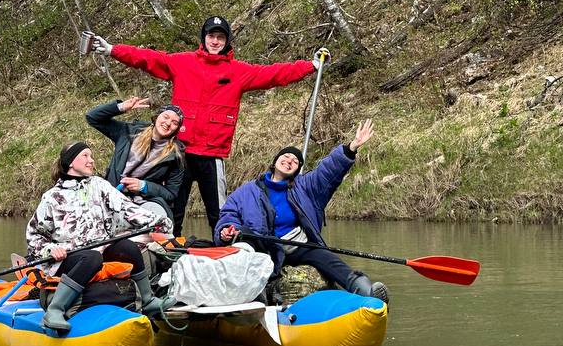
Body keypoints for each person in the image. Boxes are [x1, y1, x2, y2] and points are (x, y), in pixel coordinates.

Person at [87, 16, 319, 235]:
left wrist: (311, 65)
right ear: (204, 38)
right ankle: (168, 248)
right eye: (211, 36)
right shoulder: (182, 63)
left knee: (219, 212)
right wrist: (112, 50)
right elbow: (148, 59)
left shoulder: (239, 72)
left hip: (211, 154)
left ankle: (225, 248)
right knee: (173, 207)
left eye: (220, 37)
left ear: (227, 41)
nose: (215, 41)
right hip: (178, 152)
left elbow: (275, 74)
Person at [215, 119, 389, 302]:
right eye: (286, 157)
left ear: (297, 170)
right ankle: (253, 299)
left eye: (295, 161)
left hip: (297, 245)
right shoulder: (246, 191)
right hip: (264, 247)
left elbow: (328, 170)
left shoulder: (306, 187)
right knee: (245, 235)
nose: (289, 161)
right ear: (275, 162)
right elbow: (229, 215)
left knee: (327, 258)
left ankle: (366, 292)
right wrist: (226, 230)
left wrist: (352, 146)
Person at [25, 142, 169, 331]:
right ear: (70, 162)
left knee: (127, 247)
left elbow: (126, 209)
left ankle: (148, 300)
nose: (91, 160)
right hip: (68, 258)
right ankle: (55, 309)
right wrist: (51, 249)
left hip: (100, 249)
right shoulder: (52, 197)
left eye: (91, 156)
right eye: (85, 156)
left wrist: (157, 221)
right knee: (91, 258)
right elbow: (34, 235)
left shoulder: (100, 185)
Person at [85, 98, 185, 222]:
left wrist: (144, 186)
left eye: (175, 122)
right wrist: (121, 107)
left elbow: (171, 194)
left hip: (143, 202)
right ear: (157, 117)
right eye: (165, 117)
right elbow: (92, 117)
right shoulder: (128, 131)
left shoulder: (176, 155)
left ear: (177, 129)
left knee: (158, 216)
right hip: (111, 195)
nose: (168, 123)